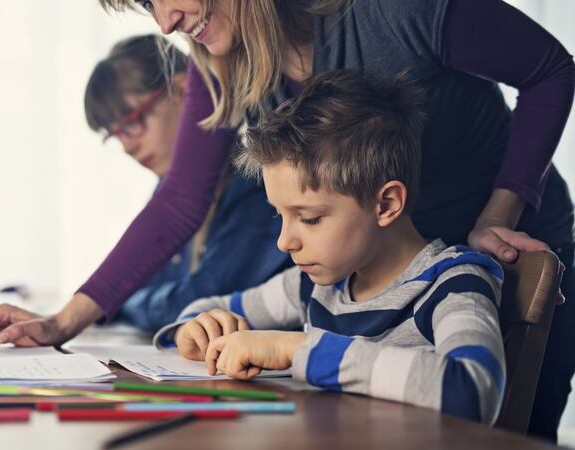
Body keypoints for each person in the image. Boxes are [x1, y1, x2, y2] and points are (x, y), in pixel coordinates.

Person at [0, 0, 574, 439]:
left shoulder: (394, 10)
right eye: (147, 5)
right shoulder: (223, 59)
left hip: (497, 251)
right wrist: (63, 322)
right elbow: (180, 201)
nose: (165, 21)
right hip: (368, 270)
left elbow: (551, 69)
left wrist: (499, 212)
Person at [154, 70, 506, 425]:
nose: (284, 242)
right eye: (280, 215)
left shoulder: (452, 284)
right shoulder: (311, 285)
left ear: (386, 204)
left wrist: (296, 349)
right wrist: (194, 329)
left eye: (309, 218)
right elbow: (206, 308)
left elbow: (473, 392)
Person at [0, 35, 290, 338]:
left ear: (182, 92)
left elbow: (191, 302)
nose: (127, 146)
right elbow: (148, 284)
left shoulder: (258, 185)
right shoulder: (168, 192)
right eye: (115, 135)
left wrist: (124, 303)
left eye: (132, 123)